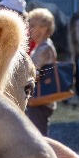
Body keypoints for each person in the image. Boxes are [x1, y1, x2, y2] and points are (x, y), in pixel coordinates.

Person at [25, 8, 59, 136]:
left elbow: (31, 72)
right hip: (40, 102)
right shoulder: (43, 46)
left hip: (39, 102)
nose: (29, 29)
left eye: (32, 25)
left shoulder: (44, 49)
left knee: (38, 139)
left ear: (44, 29)